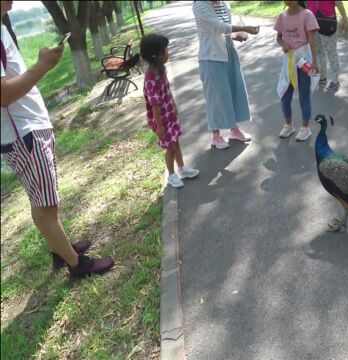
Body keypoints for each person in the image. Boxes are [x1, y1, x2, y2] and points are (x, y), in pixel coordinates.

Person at [1, 0, 113, 278]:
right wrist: (42, 66)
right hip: (22, 134)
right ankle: (77, 265)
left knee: (43, 201)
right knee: (45, 205)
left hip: (28, 129)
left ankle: (60, 250)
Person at [193, 1, 259, 150]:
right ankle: (215, 136)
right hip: (211, 56)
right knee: (216, 97)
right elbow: (217, 27)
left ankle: (234, 129)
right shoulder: (199, 5)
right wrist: (244, 27)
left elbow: (225, 31)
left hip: (228, 51)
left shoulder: (223, 3)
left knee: (235, 90)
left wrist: (235, 36)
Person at [140, 34, 200, 188]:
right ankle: (171, 175)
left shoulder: (161, 70)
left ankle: (182, 168)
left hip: (169, 114)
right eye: (165, 50)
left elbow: (167, 88)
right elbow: (154, 105)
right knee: (170, 147)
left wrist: (173, 103)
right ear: (157, 55)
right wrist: (159, 126)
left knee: (176, 142)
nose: (168, 52)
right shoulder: (150, 79)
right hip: (160, 119)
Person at [274, 1, 320, 141]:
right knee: (284, 94)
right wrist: (284, 44)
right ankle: (288, 125)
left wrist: (315, 62)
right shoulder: (282, 16)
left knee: (303, 95)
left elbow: (311, 40)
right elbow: (279, 37)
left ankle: (305, 128)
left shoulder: (307, 15)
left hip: (304, 60)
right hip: (289, 60)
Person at [307, 0, 348, 91]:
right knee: (319, 52)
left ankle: (335, 80)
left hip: (327, 23)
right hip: (313, 24)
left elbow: (339, 3)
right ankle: (322, 77)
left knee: (331, 52)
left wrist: (345, 19)